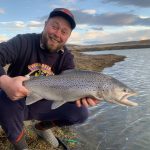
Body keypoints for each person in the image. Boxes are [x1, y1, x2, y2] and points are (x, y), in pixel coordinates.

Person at [0, 8, 98, 150]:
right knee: (2, 99)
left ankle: (41, 128)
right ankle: (21, 147)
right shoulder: (23, 42)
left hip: (44, 104)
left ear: (68, 37)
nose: (57, 34)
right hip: (14, 102)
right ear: (45, 24)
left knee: (80, 112)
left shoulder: (67, 58)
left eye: (64, 32)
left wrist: (82, 94)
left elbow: (71, 86)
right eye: (54, 26)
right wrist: (5, 81)